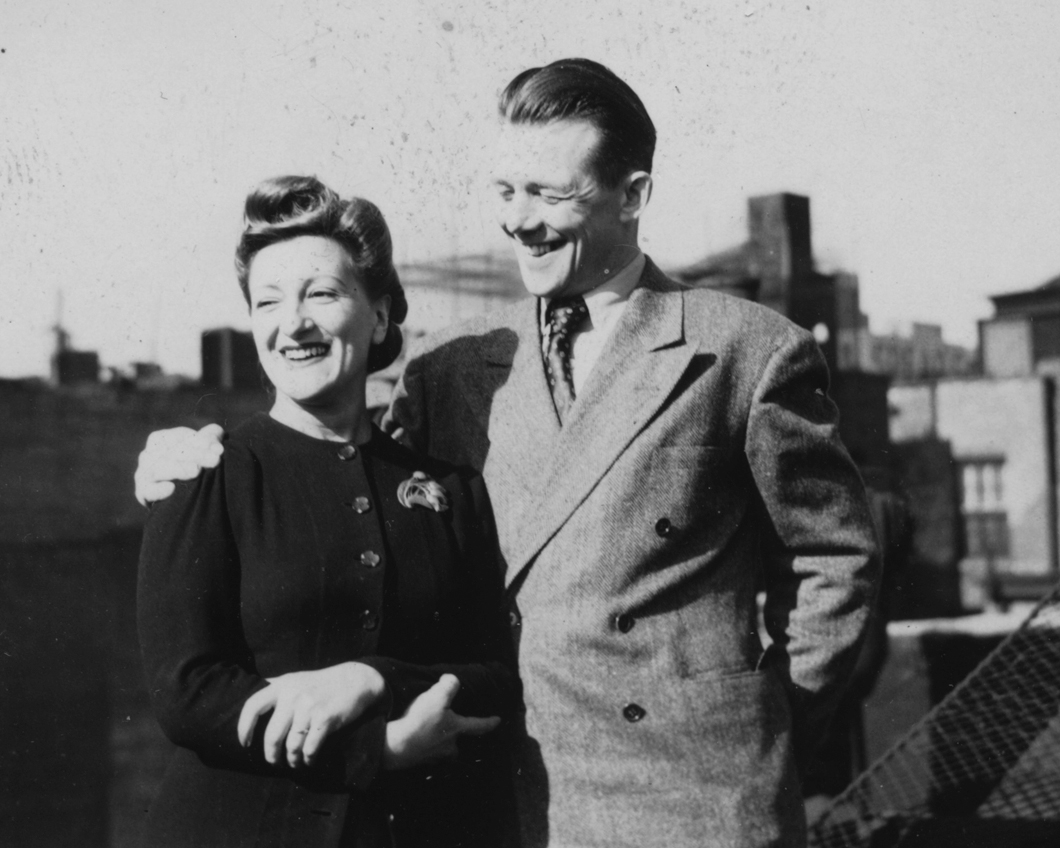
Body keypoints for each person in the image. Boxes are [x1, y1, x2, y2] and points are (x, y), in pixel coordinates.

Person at [137, 60, 880, 848]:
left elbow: (834, 556)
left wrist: (758, 723)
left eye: (549, 195)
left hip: (695, 795)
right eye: (505, 192)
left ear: (632, 196)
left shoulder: (746, 349)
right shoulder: (451, 365)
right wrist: (176, 457)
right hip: (506, 795)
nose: (518, 221)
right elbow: (354, 495)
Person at [137, 175, 520, 848]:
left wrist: (373, 679)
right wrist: (377, 750)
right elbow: (187, 692)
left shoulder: (449, 490)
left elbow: (495, 673)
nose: (295, 324)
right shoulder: (208, 471)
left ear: (377, 316)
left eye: (321, 292)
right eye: (269, 301)